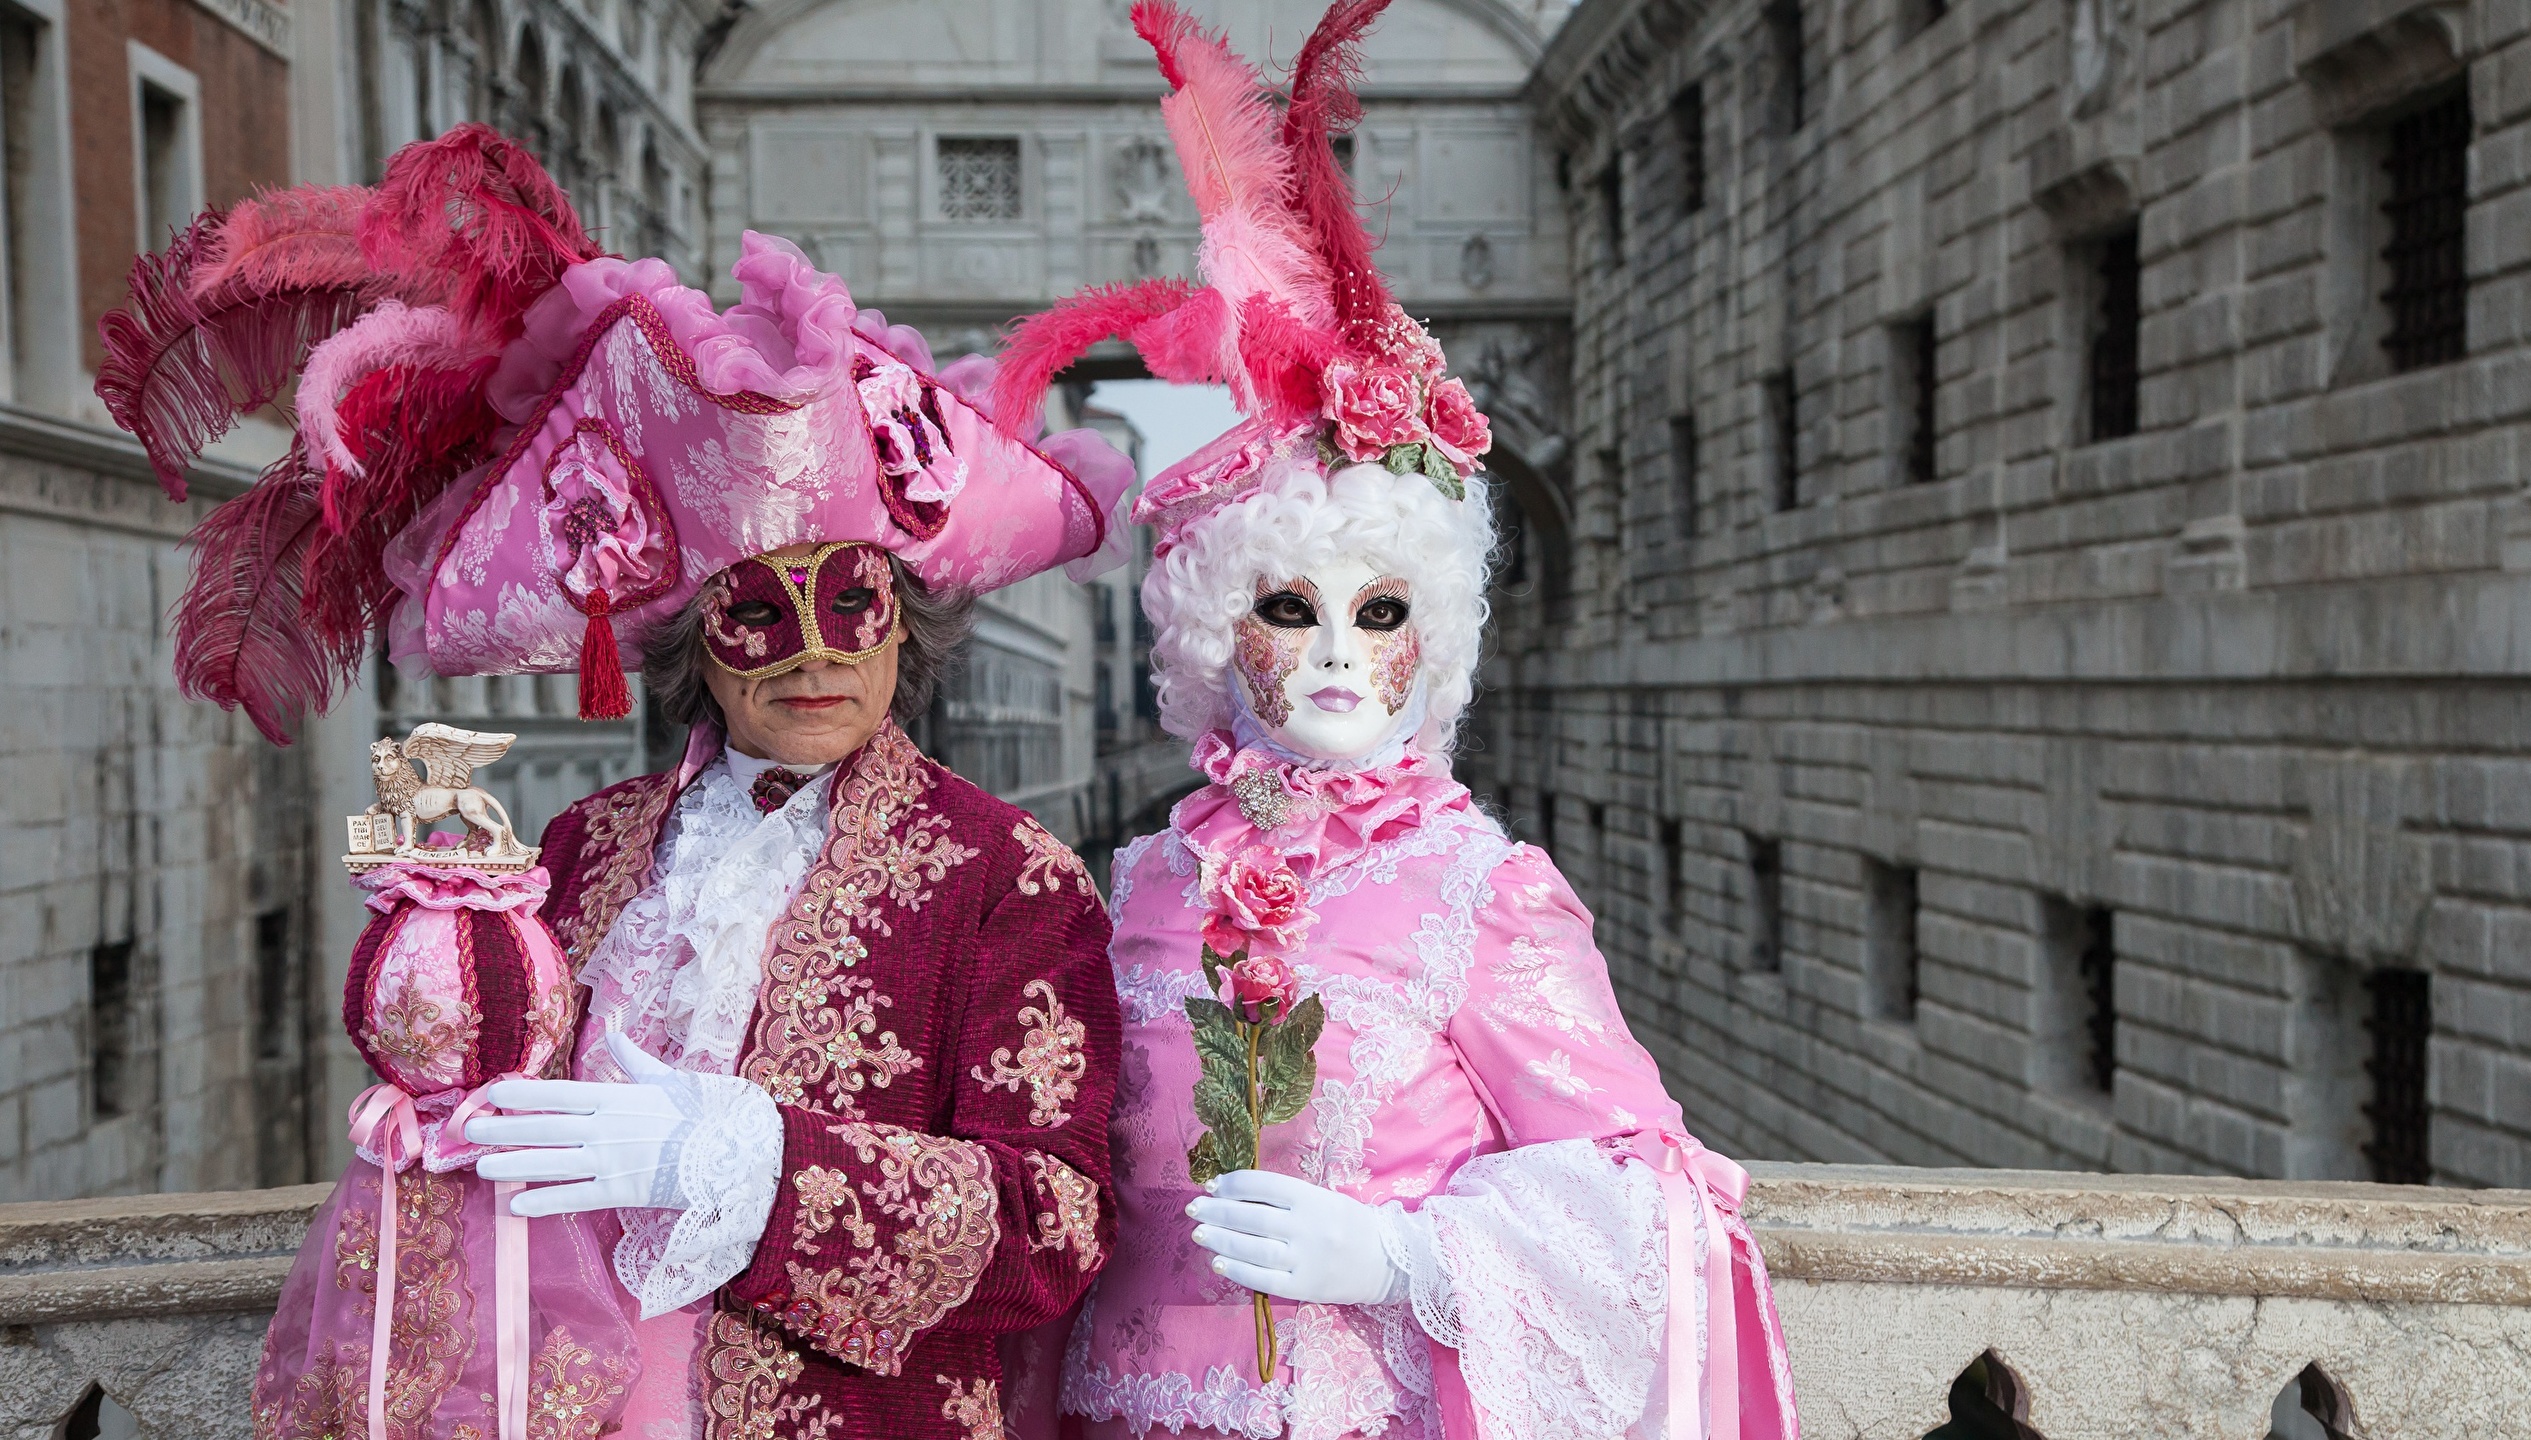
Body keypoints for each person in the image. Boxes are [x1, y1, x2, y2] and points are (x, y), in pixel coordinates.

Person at [100, 124, 1130, 1439]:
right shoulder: (587, 845)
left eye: (852, 606)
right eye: (758, 613)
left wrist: (741, 1167)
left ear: (902, 621)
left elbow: (1057, 1222)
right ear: (690, 638)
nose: (815, 655)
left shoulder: (1007, 878)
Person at [985, 4, 1799, 1438]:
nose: (1341, 658)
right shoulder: (1149, 879)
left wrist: (1405, 1256)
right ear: (1208, 637)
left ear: (1435, 642)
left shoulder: (1481, 893)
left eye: (1382, 615)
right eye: (1290, 609)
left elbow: (1650, 1192)